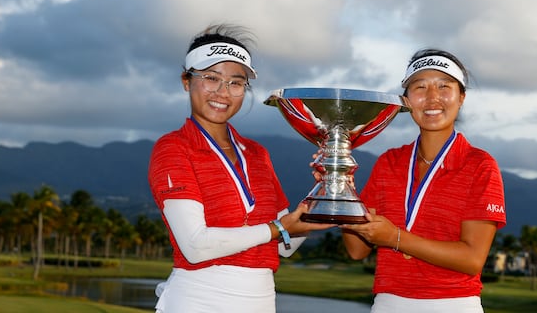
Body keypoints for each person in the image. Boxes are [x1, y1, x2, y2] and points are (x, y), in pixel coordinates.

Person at [148, 24, 331, 313]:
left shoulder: (258, 154)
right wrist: (278, 228)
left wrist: (327, 189)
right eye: (211, 78)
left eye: (236, 83)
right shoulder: (173, 147)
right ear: (186, 81)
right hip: (197, 300)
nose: (223, 92)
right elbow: (195, 247)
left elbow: (285, 245)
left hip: (261, 300)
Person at [340, 48, 507, 313]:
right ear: (406, 100)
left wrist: (396, 238)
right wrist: (342, 187)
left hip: (453, 304)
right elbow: (357, 250)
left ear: (461, 97)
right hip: (388, 303)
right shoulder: (389, 163)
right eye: (420, 87)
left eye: (444, 86)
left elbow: (473, 259)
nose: (432, 98)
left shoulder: (479, 165)